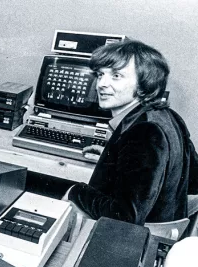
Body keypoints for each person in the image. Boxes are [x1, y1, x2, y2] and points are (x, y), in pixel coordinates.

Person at [67, 40, 198, 225]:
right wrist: (118, 162)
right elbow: (193, 179)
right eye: (100, 75)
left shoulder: (145, 131)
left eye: (116, 76)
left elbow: (126, 216)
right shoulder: (168, 116)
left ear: (145, 83)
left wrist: (76, 191)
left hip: (131, 241)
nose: (101, 84)